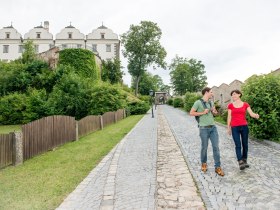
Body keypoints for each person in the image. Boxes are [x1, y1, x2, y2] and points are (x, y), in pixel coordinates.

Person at [190, 87, 224, 176]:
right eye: (211, 92)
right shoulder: (198, 102)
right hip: (203, 128)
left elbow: (215, 113)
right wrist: (202, 112)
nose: (212, 94)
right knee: (204, 147)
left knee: (216, 147)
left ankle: (218, 167)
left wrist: (214, 111)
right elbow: (191, 113)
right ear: (206, 92)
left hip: (213, 128)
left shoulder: (211, 102)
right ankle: (204, 163)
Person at [227, 89, 259, 170]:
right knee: (238, 145)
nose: (233, 96)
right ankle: (240, 161)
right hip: (234, 127)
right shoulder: (230, 105)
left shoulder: (245, 104)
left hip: (244, 127)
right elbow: (229, 117)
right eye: (232, 95)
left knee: (245, 144)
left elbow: (251, 113)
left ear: (239, 94)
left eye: (234, 94)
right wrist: (228, 128)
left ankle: (244, 160)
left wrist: (255, 115)